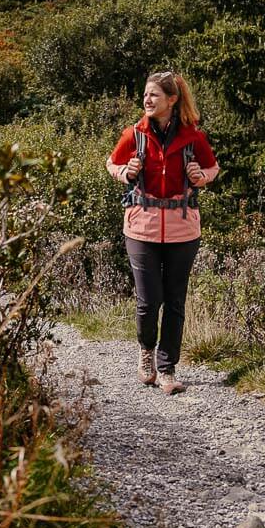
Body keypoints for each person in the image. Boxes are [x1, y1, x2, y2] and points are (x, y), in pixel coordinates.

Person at [106, 70, 219, 394]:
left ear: (172, 100)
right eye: (145, 94)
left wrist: (201, 176)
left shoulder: (193, 137)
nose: (147, 100)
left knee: (174, 301)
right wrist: (125, 172)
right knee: (148, 299)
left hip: (183, 230)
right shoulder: (134, 134)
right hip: (141, 226)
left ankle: (167, 369)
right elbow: (112, 163)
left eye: (153, 95)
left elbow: (212, 167)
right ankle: (146, 352)